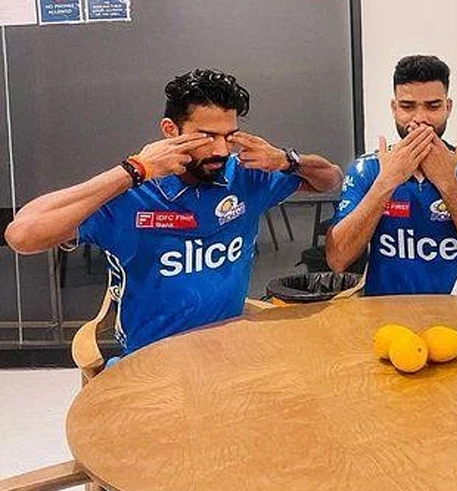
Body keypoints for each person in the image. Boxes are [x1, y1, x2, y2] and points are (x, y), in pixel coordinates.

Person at [4, 68, 343, 356]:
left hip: (229, 354)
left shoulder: (244, 177)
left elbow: (330, 179)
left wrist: (287, 160)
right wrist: (133, 170)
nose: (220, 150)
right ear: (170, 131)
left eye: (229, 136)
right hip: (151, 362)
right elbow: (22, 234)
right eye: (206, 136)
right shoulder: (133, 194)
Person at [326, 55, 457, 295]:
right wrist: (385, 183)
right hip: (385, 312)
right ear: (394, 108)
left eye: (433, 106)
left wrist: (448, 183)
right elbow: (337, 260)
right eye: (407, 106)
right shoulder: (366, 169)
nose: (420, 118)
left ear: (448, 107)